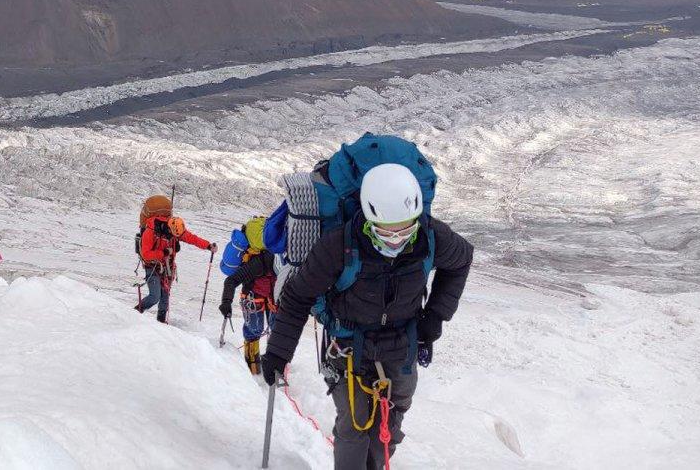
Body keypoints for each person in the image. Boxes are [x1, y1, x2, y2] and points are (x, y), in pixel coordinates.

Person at [261, 163, 473, 470]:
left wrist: (435, 316)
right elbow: (298, 294)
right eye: (385, 232)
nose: (396, 241)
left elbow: (461, 259)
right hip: (349, 348)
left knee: (390, 424)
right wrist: (279, 352)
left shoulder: (430, 236)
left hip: (402, 346)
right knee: (354, 426)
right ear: (368, 219)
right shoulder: (339, 245)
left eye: (406, 230)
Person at [135, 195, 216, 323]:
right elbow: (146, 254)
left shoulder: (175, 229)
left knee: (165, 297)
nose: (177, 237)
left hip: (168, 267)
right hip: (153, 266)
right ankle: (133, 314)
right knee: (155, 296)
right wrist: (164, 253)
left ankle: (161, 322)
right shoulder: (150, 231)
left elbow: (191, 238)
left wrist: (208, 245)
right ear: (169, 228)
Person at [219, 248, 277, 374]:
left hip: (273, 296)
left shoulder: (284, 264)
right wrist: (226, 301)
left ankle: (276, 362)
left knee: (278, 329)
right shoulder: (256, 264)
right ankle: (252, 367)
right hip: (253, 296)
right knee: (254, 329)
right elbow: (231, 280)